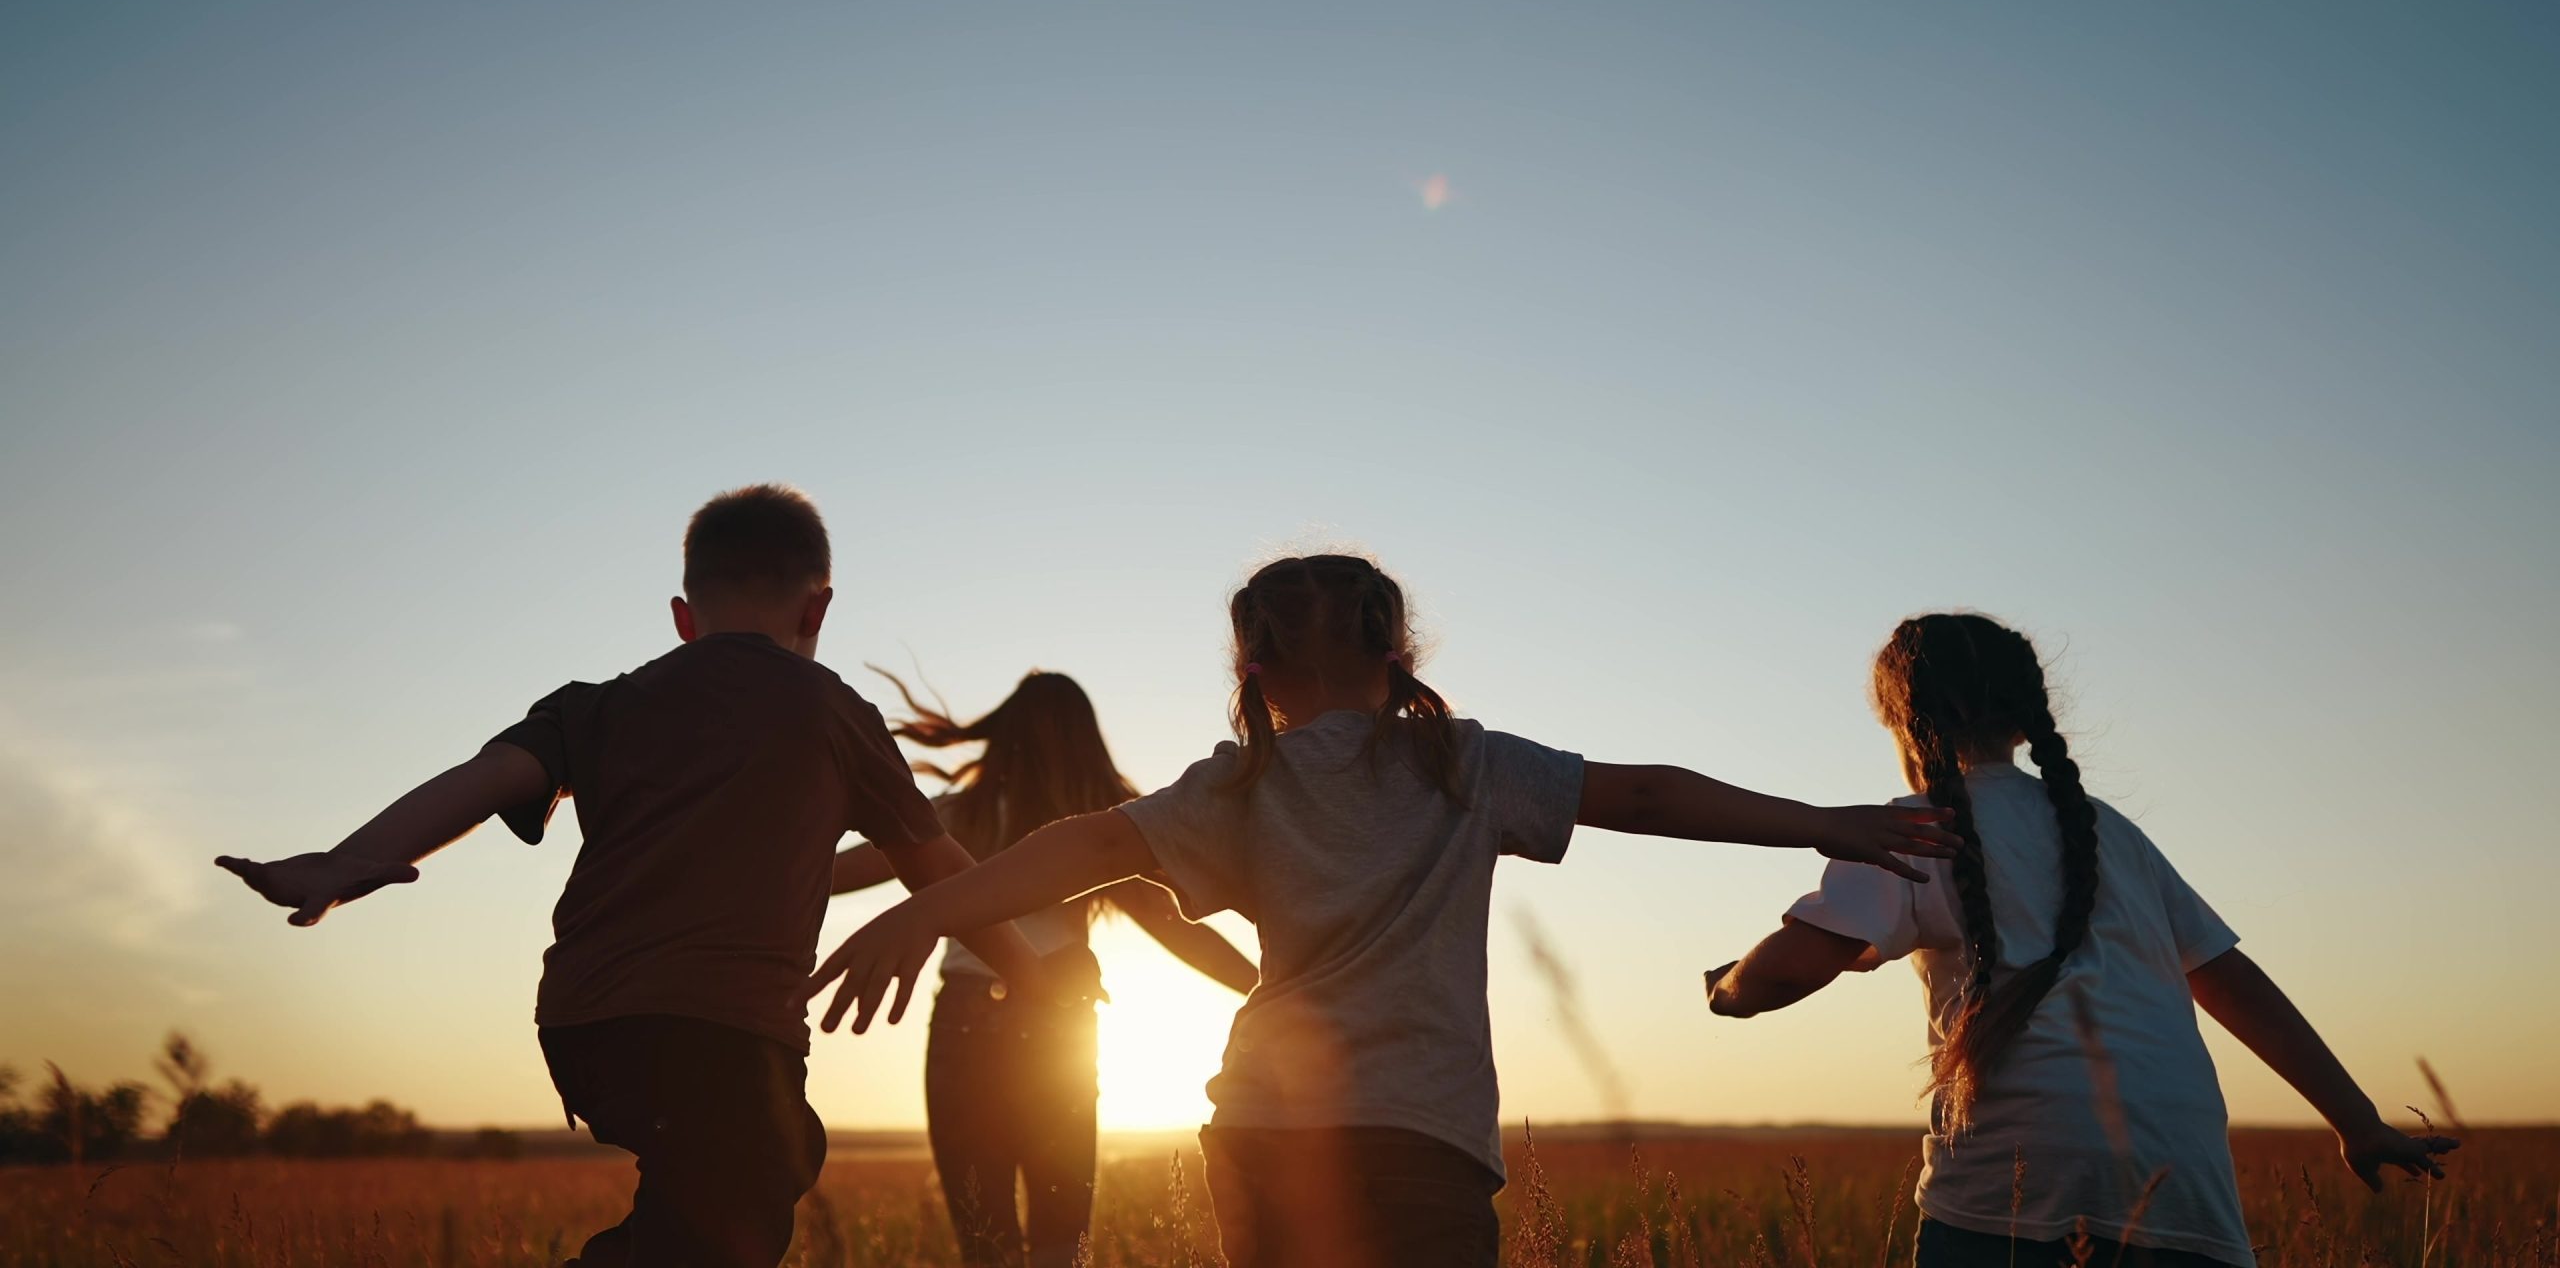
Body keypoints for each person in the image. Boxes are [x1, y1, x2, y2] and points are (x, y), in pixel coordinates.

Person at [805, 552, 1960, 1268]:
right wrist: (1819, 817)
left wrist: (921, 912)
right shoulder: (1462, 763)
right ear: (1397, 648)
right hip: (1417, 1136)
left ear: (1249, 667)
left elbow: (1080, 848)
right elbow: (1648, 792)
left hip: (1258, 1132)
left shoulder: (1235, 783)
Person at [214, 484, 1045, 1268]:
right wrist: (1036, 976)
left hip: (586, 1024)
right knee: (746, 1191)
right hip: (725, 1027)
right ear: (818, 606)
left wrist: (346, 860)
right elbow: (940, 872)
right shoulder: (834, 712)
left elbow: (482, 777)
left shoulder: (598, 705)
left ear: (685, 617)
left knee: (753, 1171)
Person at [1704, 612, 2459, 1268]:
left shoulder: (1910, 827)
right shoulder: (2106, 831)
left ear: (1904, 718)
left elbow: (1784, 974)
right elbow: (2232, 981)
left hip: (2014, 1194)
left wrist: (1727, 989)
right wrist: (2356, 1123)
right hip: (2184, 1193)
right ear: (2028, 717)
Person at [828, 668, 1258, 1268]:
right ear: (1086, 743)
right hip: (1061, 1023)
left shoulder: (956, 817)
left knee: (986, 1244)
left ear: (1004, 735)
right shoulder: (1097, 832)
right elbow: (1177, 931)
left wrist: (750, 876)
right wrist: (1270, 986)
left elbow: (838, 874)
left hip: (967, 1023)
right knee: (1061, 1240)